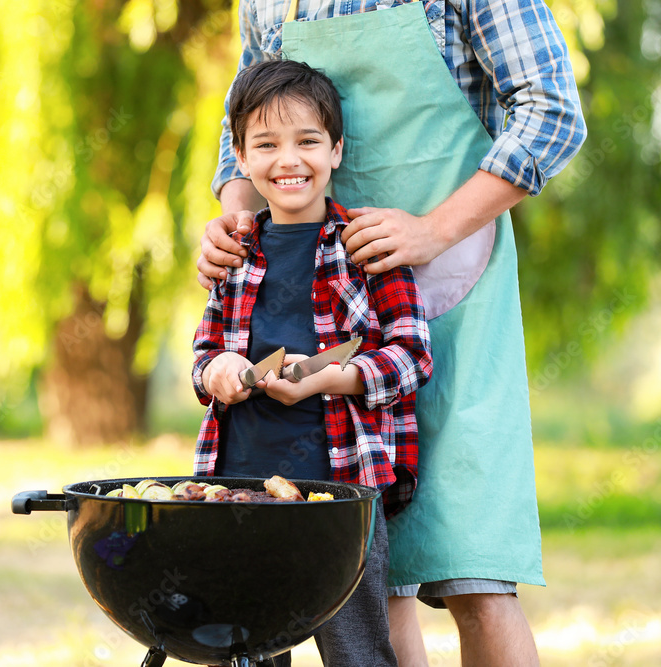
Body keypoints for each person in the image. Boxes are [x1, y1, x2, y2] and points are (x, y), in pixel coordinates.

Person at [198, 2, 587, 665]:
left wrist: (432, 230)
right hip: (322, 299)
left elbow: (552, 113)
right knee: (373, 581)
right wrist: (236, 223)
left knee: (477, 572)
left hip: (454, 292)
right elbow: (250, 114)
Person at [192, 58, 434, 667]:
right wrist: (217, 369)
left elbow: (410, 357)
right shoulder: (235, 252)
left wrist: (331, 378)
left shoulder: (366, 246)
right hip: (239, 485)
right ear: (241, 159)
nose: (288, 160)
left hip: (341, 492)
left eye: (307, 142)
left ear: (337, 150)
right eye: (266, 145)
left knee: (355, 652)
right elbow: (203, 354)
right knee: (244, 646)